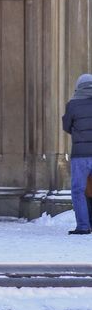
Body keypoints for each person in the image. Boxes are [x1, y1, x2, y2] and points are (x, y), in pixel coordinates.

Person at [61, 73, 92, 235]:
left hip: (80, 155)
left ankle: (83, 226)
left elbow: (66, 126)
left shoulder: (72, 104)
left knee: (78, 190)